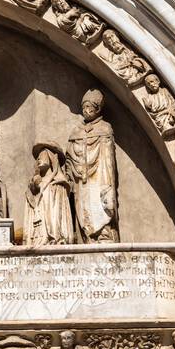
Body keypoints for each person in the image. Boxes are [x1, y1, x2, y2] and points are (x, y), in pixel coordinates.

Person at [65, 89, 118, 241]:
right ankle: (88, 237)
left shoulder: (105, 128)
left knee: (100, 205)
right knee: (83, 208)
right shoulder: (76, 131)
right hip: (81, 180)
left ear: (98, 109)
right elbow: (69, 156)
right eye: (84, 108)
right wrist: (72, 167)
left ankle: (104, 235)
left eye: (90, 108)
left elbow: (108, 160)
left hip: (100, 177)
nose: (87, 111)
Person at [23, 142, 74, 246]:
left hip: (54, 235)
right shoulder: (34, 184)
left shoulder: (58, 184)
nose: (38, 159)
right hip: (37, 235)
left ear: (51, 157)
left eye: (42, 155)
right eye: (37, 157)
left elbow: (59, 212)